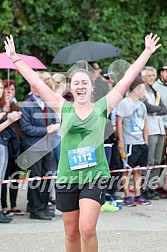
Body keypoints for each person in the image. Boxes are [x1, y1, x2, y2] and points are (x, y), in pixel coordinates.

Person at [4, 33, 160, 252]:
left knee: (86, 229)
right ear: (71, 87)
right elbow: (36, 82)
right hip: (68, 176)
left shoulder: (103, 106)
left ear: (91, 87)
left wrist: (147, 52)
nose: (80, 85)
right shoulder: (62, 107)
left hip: (94, 176)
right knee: (71, 233)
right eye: (76, 82)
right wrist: (14, 58)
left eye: (84, 82)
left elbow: (126, 79)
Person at [116, 77, 151, 206]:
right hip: (129, 142)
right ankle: (127, 195)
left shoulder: (142, 105)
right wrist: (121, 140)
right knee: (127, 169)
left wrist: (145, 141)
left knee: (139, 170)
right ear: (136, 89)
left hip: (140, 142)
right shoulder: (124, 103)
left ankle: (138, 193)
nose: (144, 92)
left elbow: (145, 124)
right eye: (142, 89)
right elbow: (119, 122)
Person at [141, 66, 167, 200]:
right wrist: (156, 109)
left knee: (157, 161)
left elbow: (164, 109)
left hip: (159, 128)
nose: (152, 78)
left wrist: (155, 110)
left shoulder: (155, 91)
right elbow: (147, 107)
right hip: (149, 129)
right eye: (149, 75)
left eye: (153, 75)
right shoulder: (141, 91)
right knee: (149, 161)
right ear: (143, 77)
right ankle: (144, 188)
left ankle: (152, 187)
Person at [0, 79, 22, 223]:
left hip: (4, 144)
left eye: (1, 87)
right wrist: (8, 119)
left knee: (1, 179)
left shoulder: (4, 105)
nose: (2, 89)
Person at [153, 63, 167, 165]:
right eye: (166, 71)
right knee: (158, 156)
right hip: (161, 127)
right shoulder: (155, 87)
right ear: (161, 73)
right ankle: (155, 179)